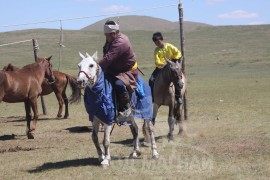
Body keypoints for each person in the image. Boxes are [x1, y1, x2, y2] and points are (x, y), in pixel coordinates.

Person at [98, 20, 138, 122]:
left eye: (106, 35)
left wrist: (96, 68)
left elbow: (108, 59)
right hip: (113, 70)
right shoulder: (111, 39)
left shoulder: (120, 42)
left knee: (119, 84)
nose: (105, 37)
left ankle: (126, 108)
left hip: (126, 72)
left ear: (113, 33)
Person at [149, 32, 183, 104]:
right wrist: (163, 64)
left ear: (162, 40)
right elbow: (157, 61)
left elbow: (178, 53)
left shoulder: (169, 46)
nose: (157, 44)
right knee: (151, 80)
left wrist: (174, 60)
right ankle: (153, 97)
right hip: (161, 67)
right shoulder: (156, 50)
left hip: (172, 66)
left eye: (158, 41)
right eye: (155, 42)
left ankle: (178, 97)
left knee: (176, 79)